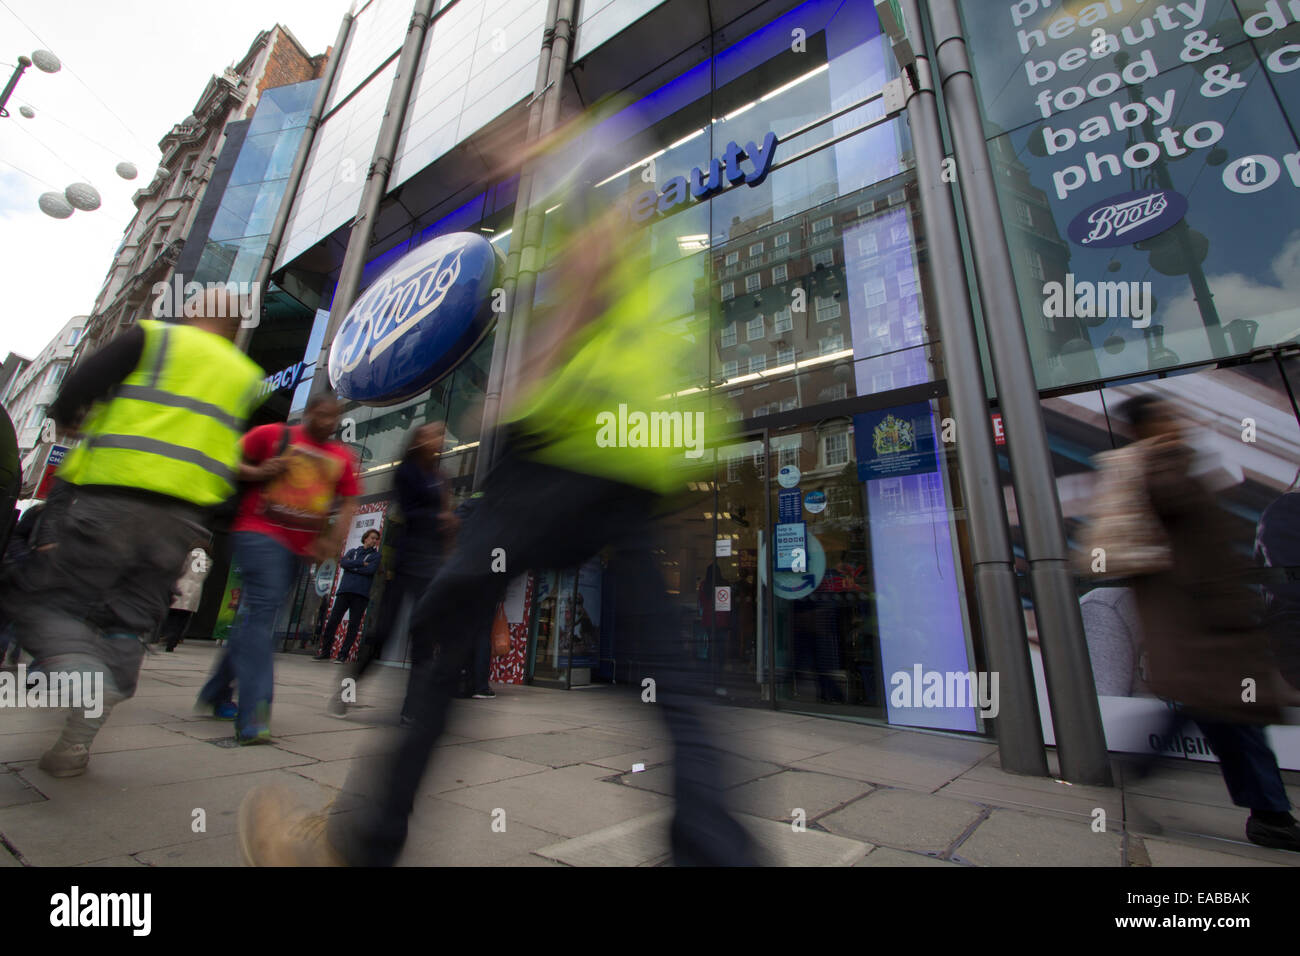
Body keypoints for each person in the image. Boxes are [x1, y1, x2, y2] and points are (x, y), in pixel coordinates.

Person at [237, 121, 761, 866]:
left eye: (502, 148)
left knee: (447, 631)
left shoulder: (585, 161)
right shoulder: (615, 173)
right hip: (636, 448)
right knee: (664, 662)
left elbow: (596, 262)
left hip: (563, 437)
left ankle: (358, 841)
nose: (499, 159)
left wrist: (532, 370)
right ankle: (720, 851)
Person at [0, 288, 265, 776]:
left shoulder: (154, 339)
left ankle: (82, 677)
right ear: (235, 327)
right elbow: (226, 453)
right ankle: (76, 741)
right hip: (179, 521)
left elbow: (78, 388)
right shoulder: (243, 377)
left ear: (191, 312)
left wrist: (71, 422)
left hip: (109, 498)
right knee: (128, 620)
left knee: (48, 603)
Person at [1109, 394, 1300, 851]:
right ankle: (1271, 814)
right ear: (1148, 426)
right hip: (1202, 627)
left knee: (1223, 717)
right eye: (1167, 418)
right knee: (1232, 717)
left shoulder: (1169, 468)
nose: (1178, 423)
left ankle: (1266, 811)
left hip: (1209, 627)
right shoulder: (1158, 473)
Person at [196, 391, 359, 744]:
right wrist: (257, 470)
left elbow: (348, 502)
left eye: (335, 417)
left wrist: (332, 541)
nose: (329, 423)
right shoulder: (272, 435)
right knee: (263, 614)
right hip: (257, 535)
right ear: (310, 412)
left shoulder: (341, 457)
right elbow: (221, 458)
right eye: (323, 414)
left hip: (299, 550)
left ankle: (216, 691)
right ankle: (255, 713)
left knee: (255, 616)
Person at [328, 423, 457, 718]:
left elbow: (445, 518)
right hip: (406, 563)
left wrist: (448, 528)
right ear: (418, 440)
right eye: (431, 434)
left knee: (424, 639)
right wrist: (439, 516)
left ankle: (411, 711)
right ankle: (346, 689)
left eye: (440, 434)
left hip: (430, 566)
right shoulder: (407, 472)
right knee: (382, 635)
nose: (437, 438)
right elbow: (409, 513)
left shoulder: (441, 478)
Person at [315, 529, 381, 662]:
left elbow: (370, 570)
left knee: (353, 626)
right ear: (366, 538)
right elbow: (343, 563)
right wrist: (361, 563)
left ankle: (342, 655)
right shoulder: (353, 551)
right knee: (332, 621)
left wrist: (353, 567)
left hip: (361, 594)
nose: (374, 541)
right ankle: (325, 652)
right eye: (372, 538)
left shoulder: (376, 556)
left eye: (376, 539)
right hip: (344, 591)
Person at [161, 540, 212, 651]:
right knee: (183, 618)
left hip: (181, 586)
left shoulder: (188, 556)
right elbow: (202, 575)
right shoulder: (207, 560)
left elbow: (181, 570)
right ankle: (173, 641)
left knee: (173, 614)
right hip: (195, 590)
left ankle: (167, 635)